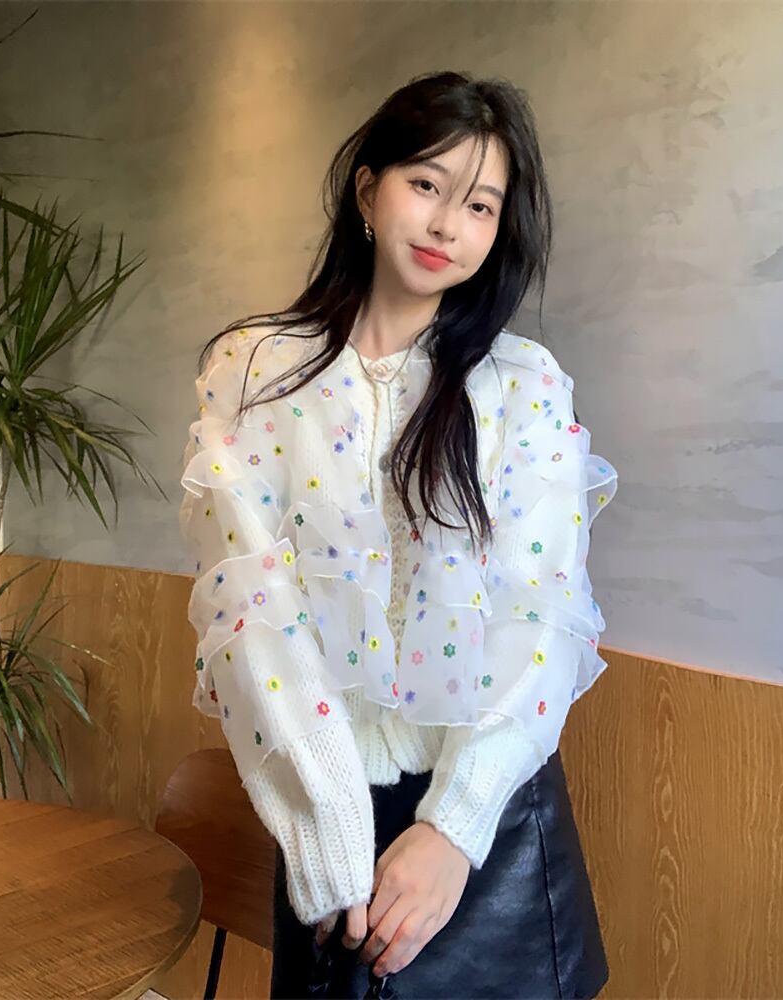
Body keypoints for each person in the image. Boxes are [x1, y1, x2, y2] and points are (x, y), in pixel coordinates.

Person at [178, 70, 618, 999]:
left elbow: (541, 618)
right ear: (367, 189)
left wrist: (454, 827)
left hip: (494, 823)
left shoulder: (525, 386)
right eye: (427, 184)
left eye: (481, 205)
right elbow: (251, 613)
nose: (448, 224)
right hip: (324, 823)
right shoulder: (254, 372)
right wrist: (330, 823)